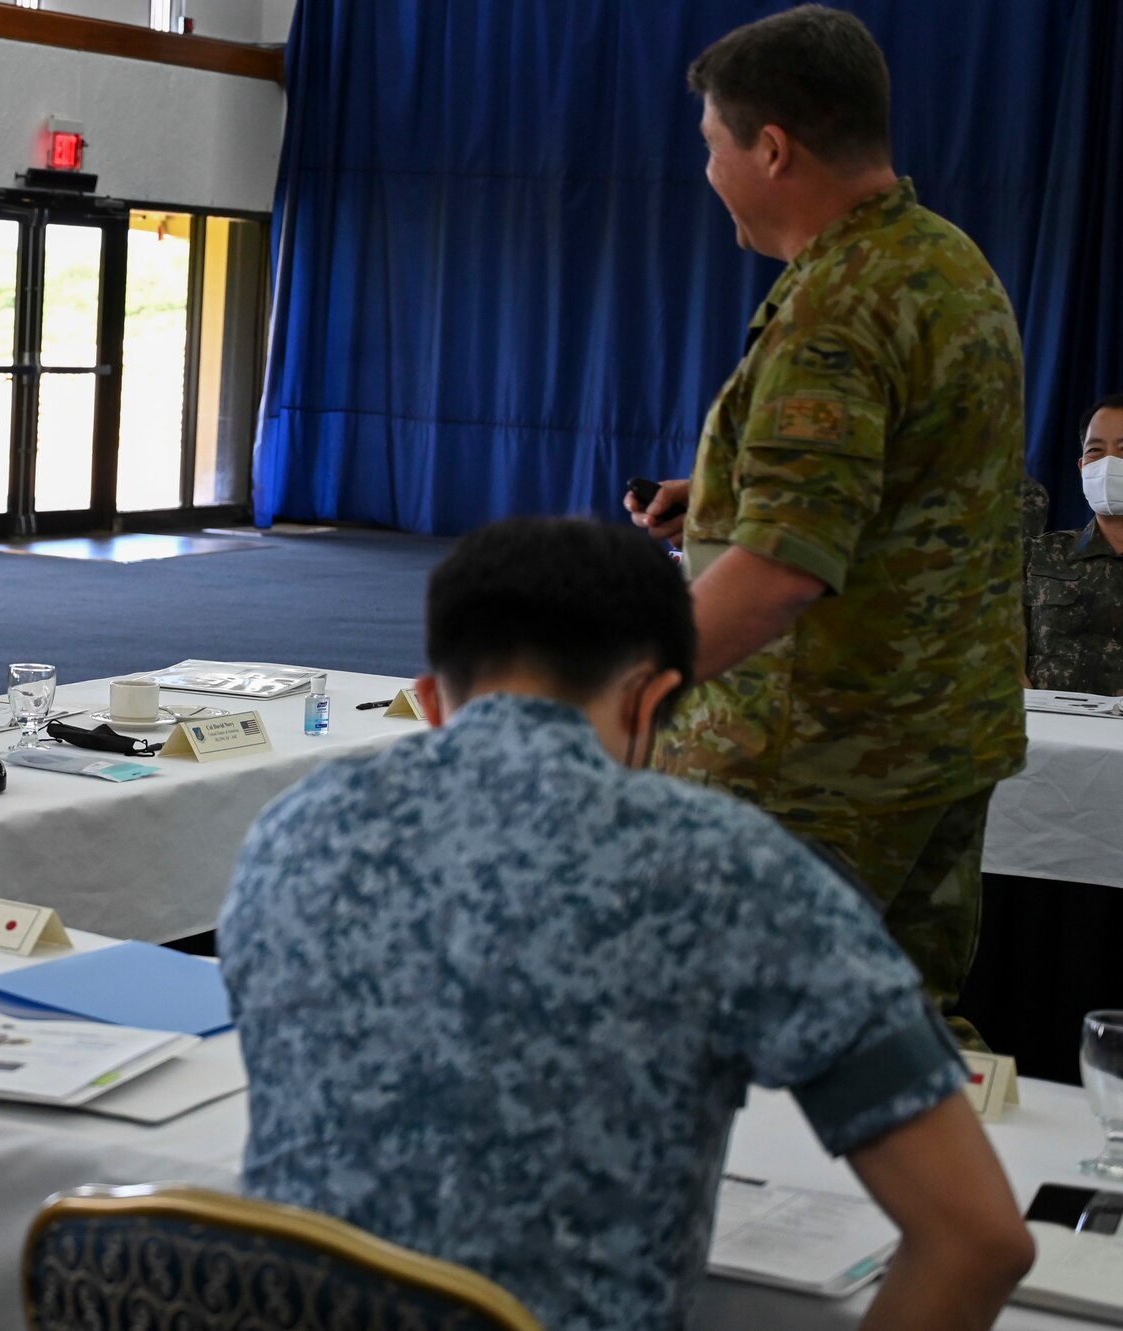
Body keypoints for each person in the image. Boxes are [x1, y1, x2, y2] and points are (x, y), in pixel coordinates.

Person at [219, 516, 1033, 1331]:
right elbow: (979, 1240)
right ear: (653, 699)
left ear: (432, 699)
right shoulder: (731, 866)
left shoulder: (292, 830)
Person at [625, 5, 1026, 1037]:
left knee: (750, 1041)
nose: (707, 173)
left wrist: (624, 689)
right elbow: (906, 486)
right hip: (932, 739)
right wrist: (712, 499)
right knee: (895, 1038)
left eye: (712, 148)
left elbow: (778, 576)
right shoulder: (945, 264)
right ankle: (951, 1207)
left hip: (810, 763)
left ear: (769, 149)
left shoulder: (835, 307)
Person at [1026, 394, 1123, 694]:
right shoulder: (1038, 556)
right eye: (1095, 450)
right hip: (1049, 734)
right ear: (1082, 467)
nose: (1109, 462)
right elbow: (999, 644)